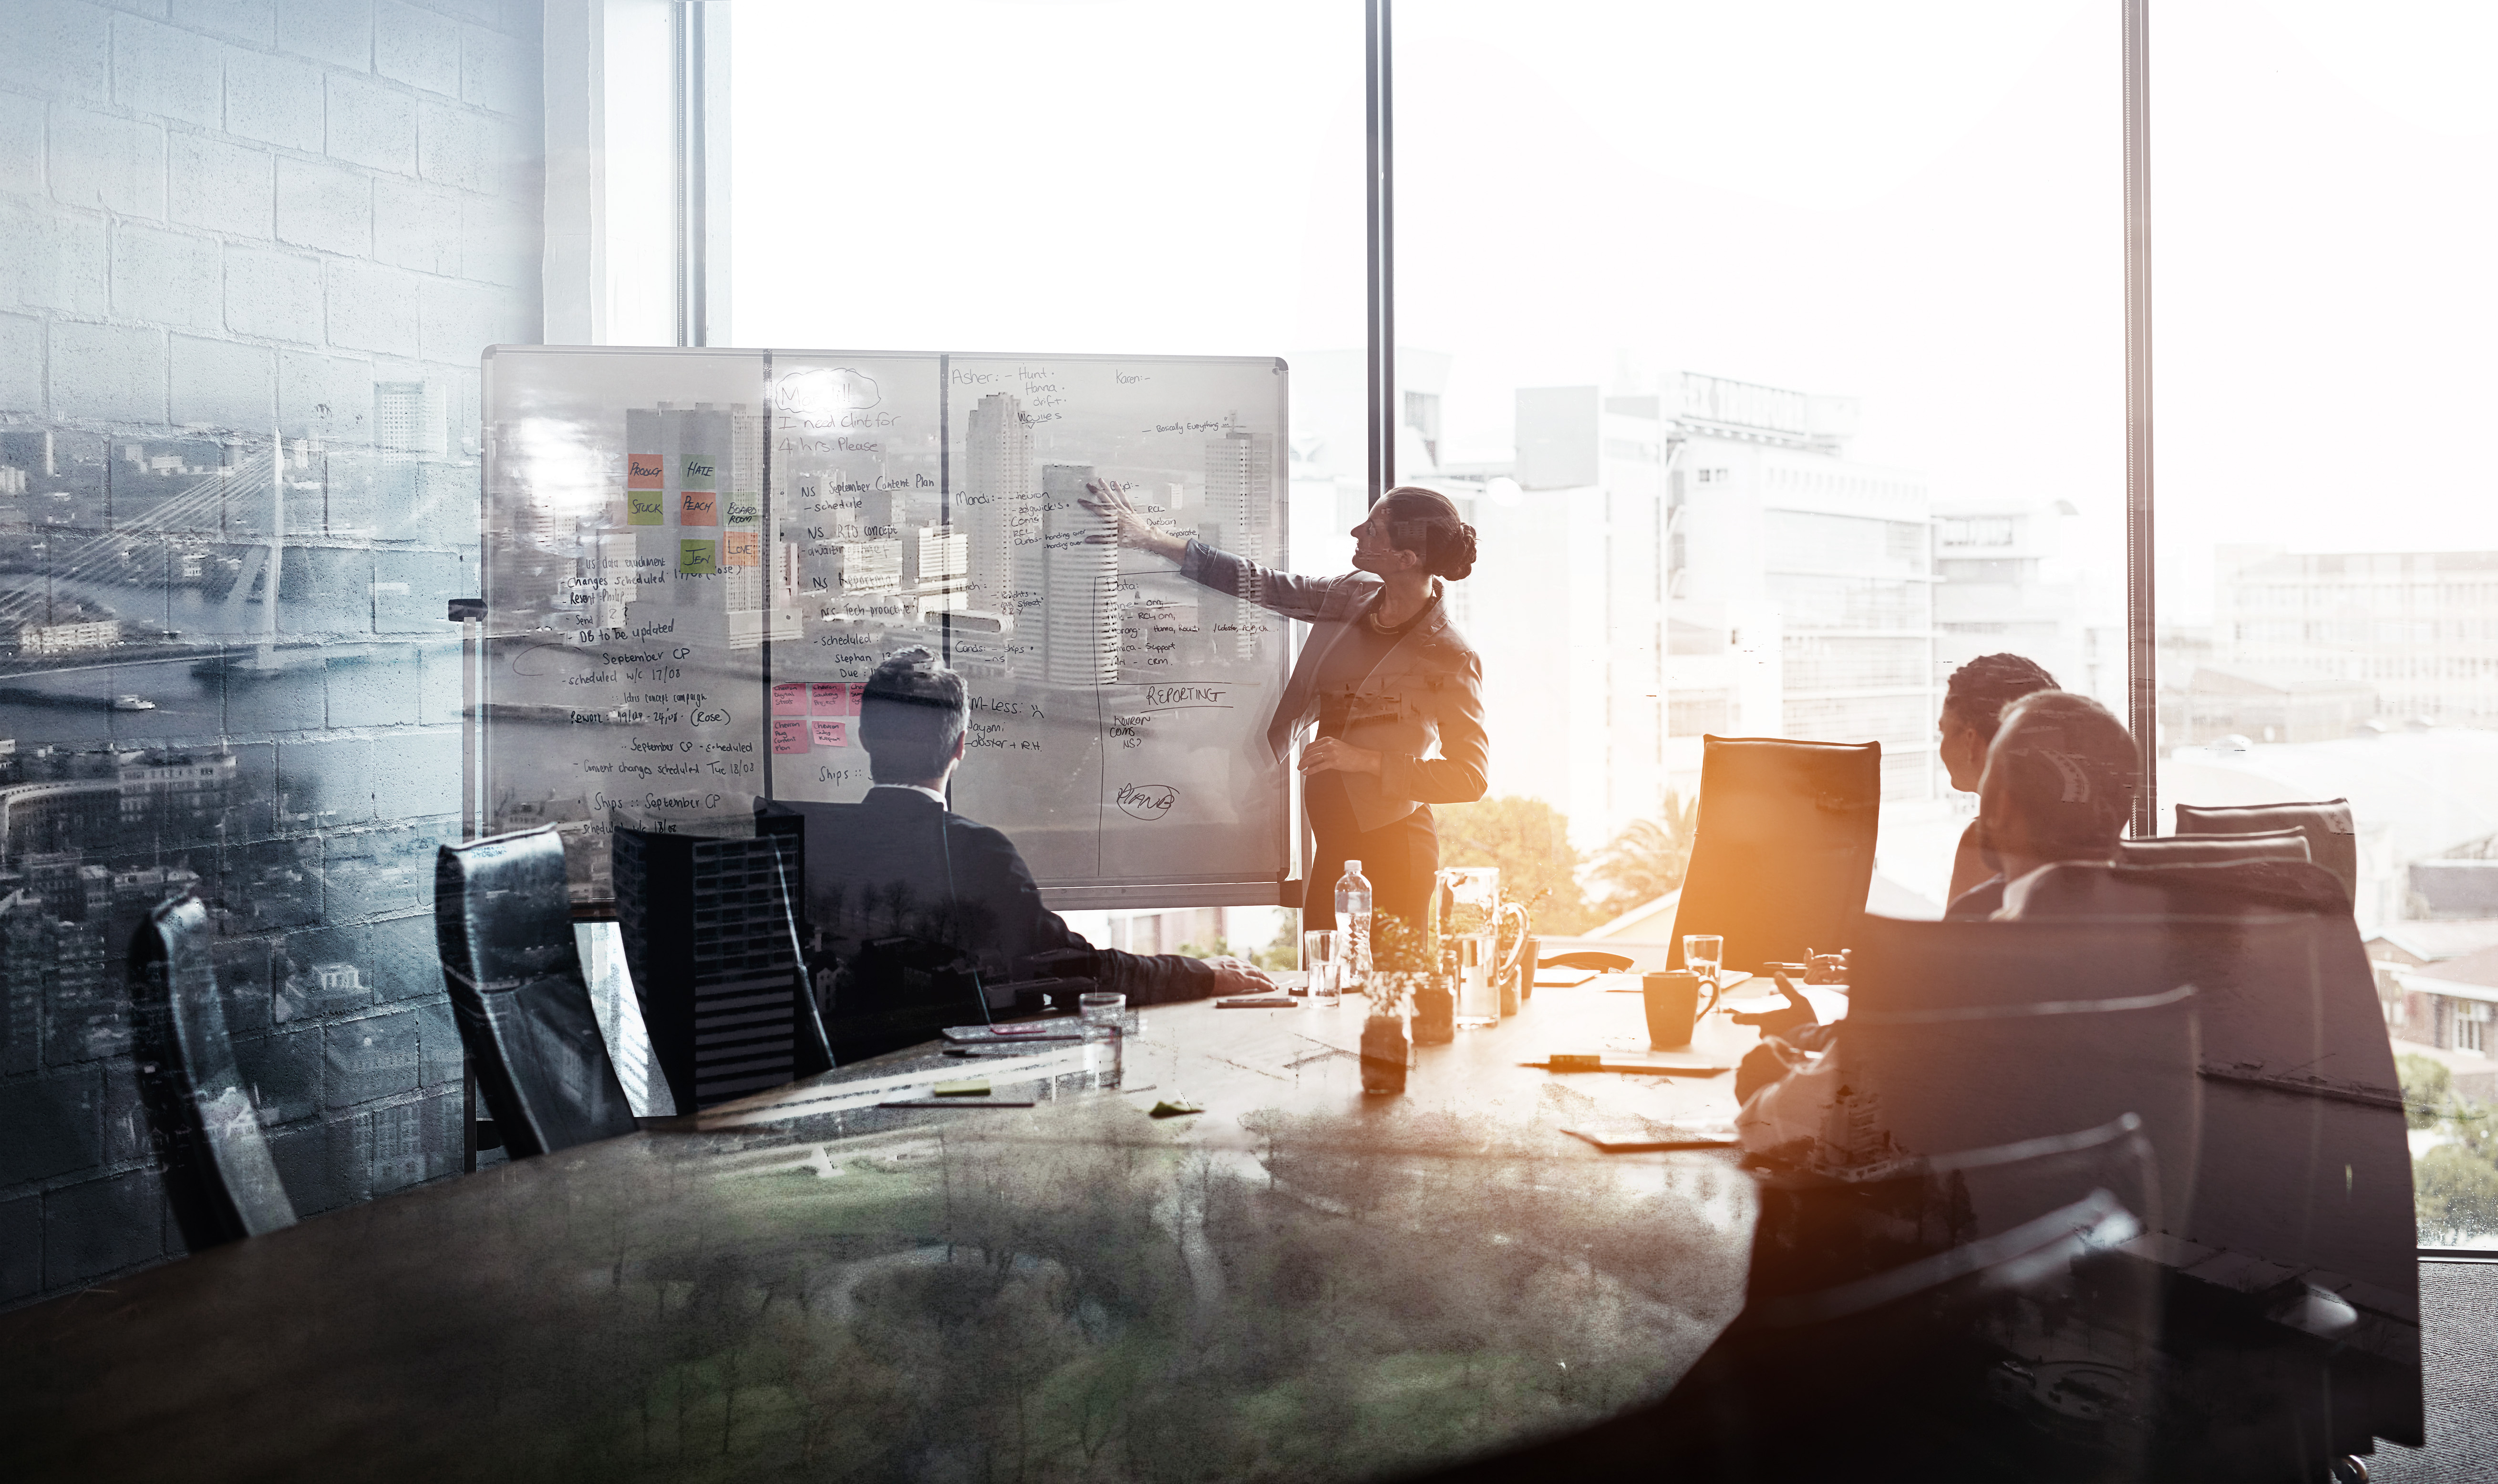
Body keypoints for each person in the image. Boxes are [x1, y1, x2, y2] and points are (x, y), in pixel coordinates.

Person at [767, 648, 1276, 1062]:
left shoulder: (803, 840)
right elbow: (1079, 968)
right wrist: (1202, 975)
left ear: (864, 740)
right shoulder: (979, 854)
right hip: (947, 1090)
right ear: (961, 747)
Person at [1739, 690, 2140, 1148]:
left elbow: (1774, 1127)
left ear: (2001, 805)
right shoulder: (2168, 944)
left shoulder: (1951, 968)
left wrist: (1765, 1084)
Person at [1081, 482, 1488, 930]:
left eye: (1372, 530)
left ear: (1405, 559)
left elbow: (1469, 778)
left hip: (1396, 847)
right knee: (1325, 975)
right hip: (1335, 844)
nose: (1356, 531)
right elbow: (1263, 584)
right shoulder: (1351, 596)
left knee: (1390, 991)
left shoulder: (1450, 655)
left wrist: (1366, 760)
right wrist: (1152, 539)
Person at [1936, 653, 2061, 909]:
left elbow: (1955, 945)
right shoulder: (2087, 829)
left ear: (1971, 741)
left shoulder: (1988, 838)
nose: (1942, 747)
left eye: (1944, 731)